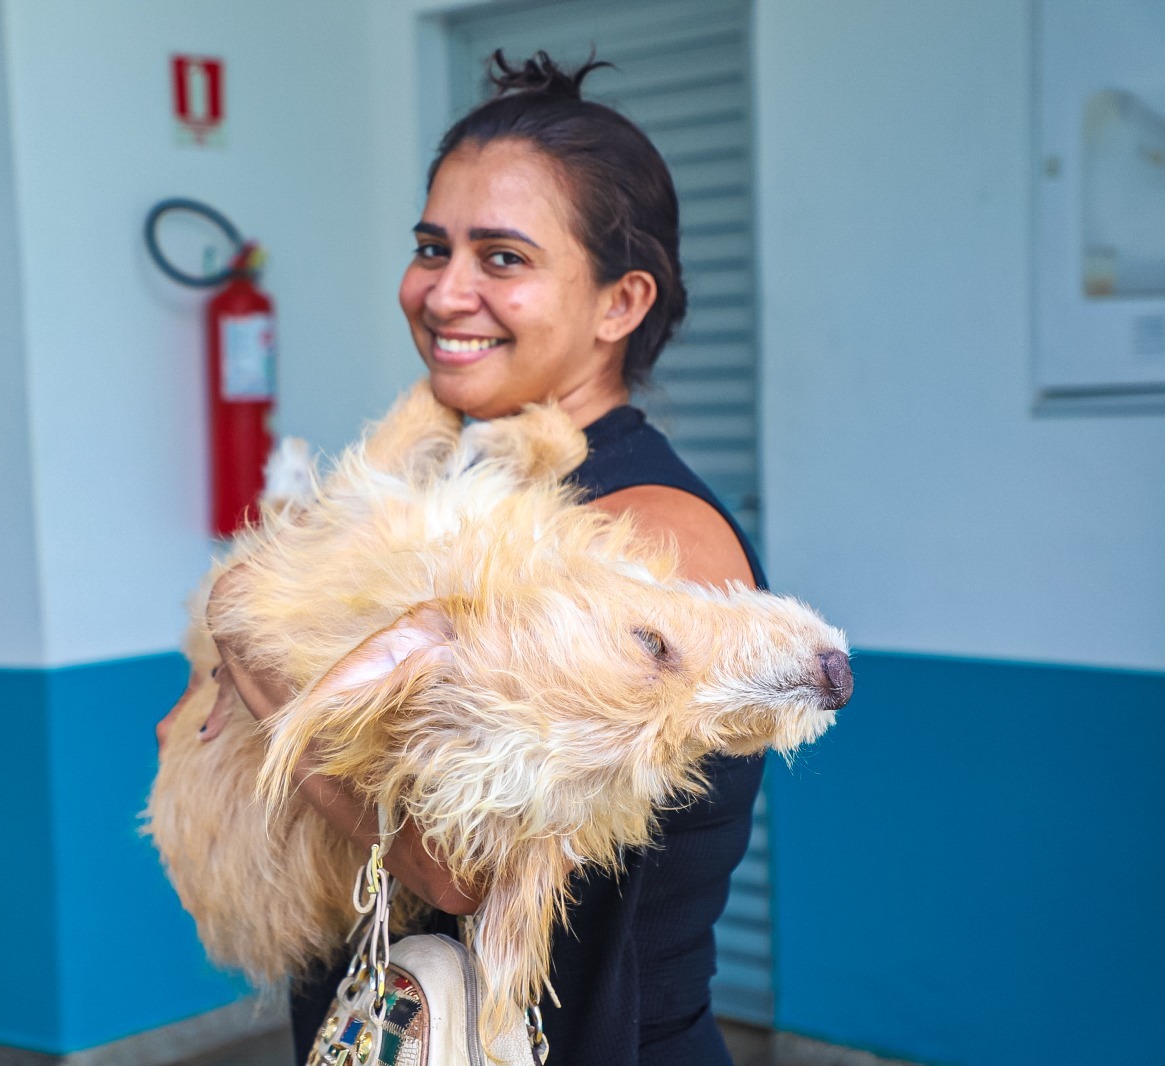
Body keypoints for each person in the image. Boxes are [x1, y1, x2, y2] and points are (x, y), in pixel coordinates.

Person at [206, 51, 766, 1065]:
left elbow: (465, 867)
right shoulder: (475, 494)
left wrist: (254, 646)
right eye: (432, 246)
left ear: (618, 302)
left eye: (501, 258)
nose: (442, 291)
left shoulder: (645, 535)